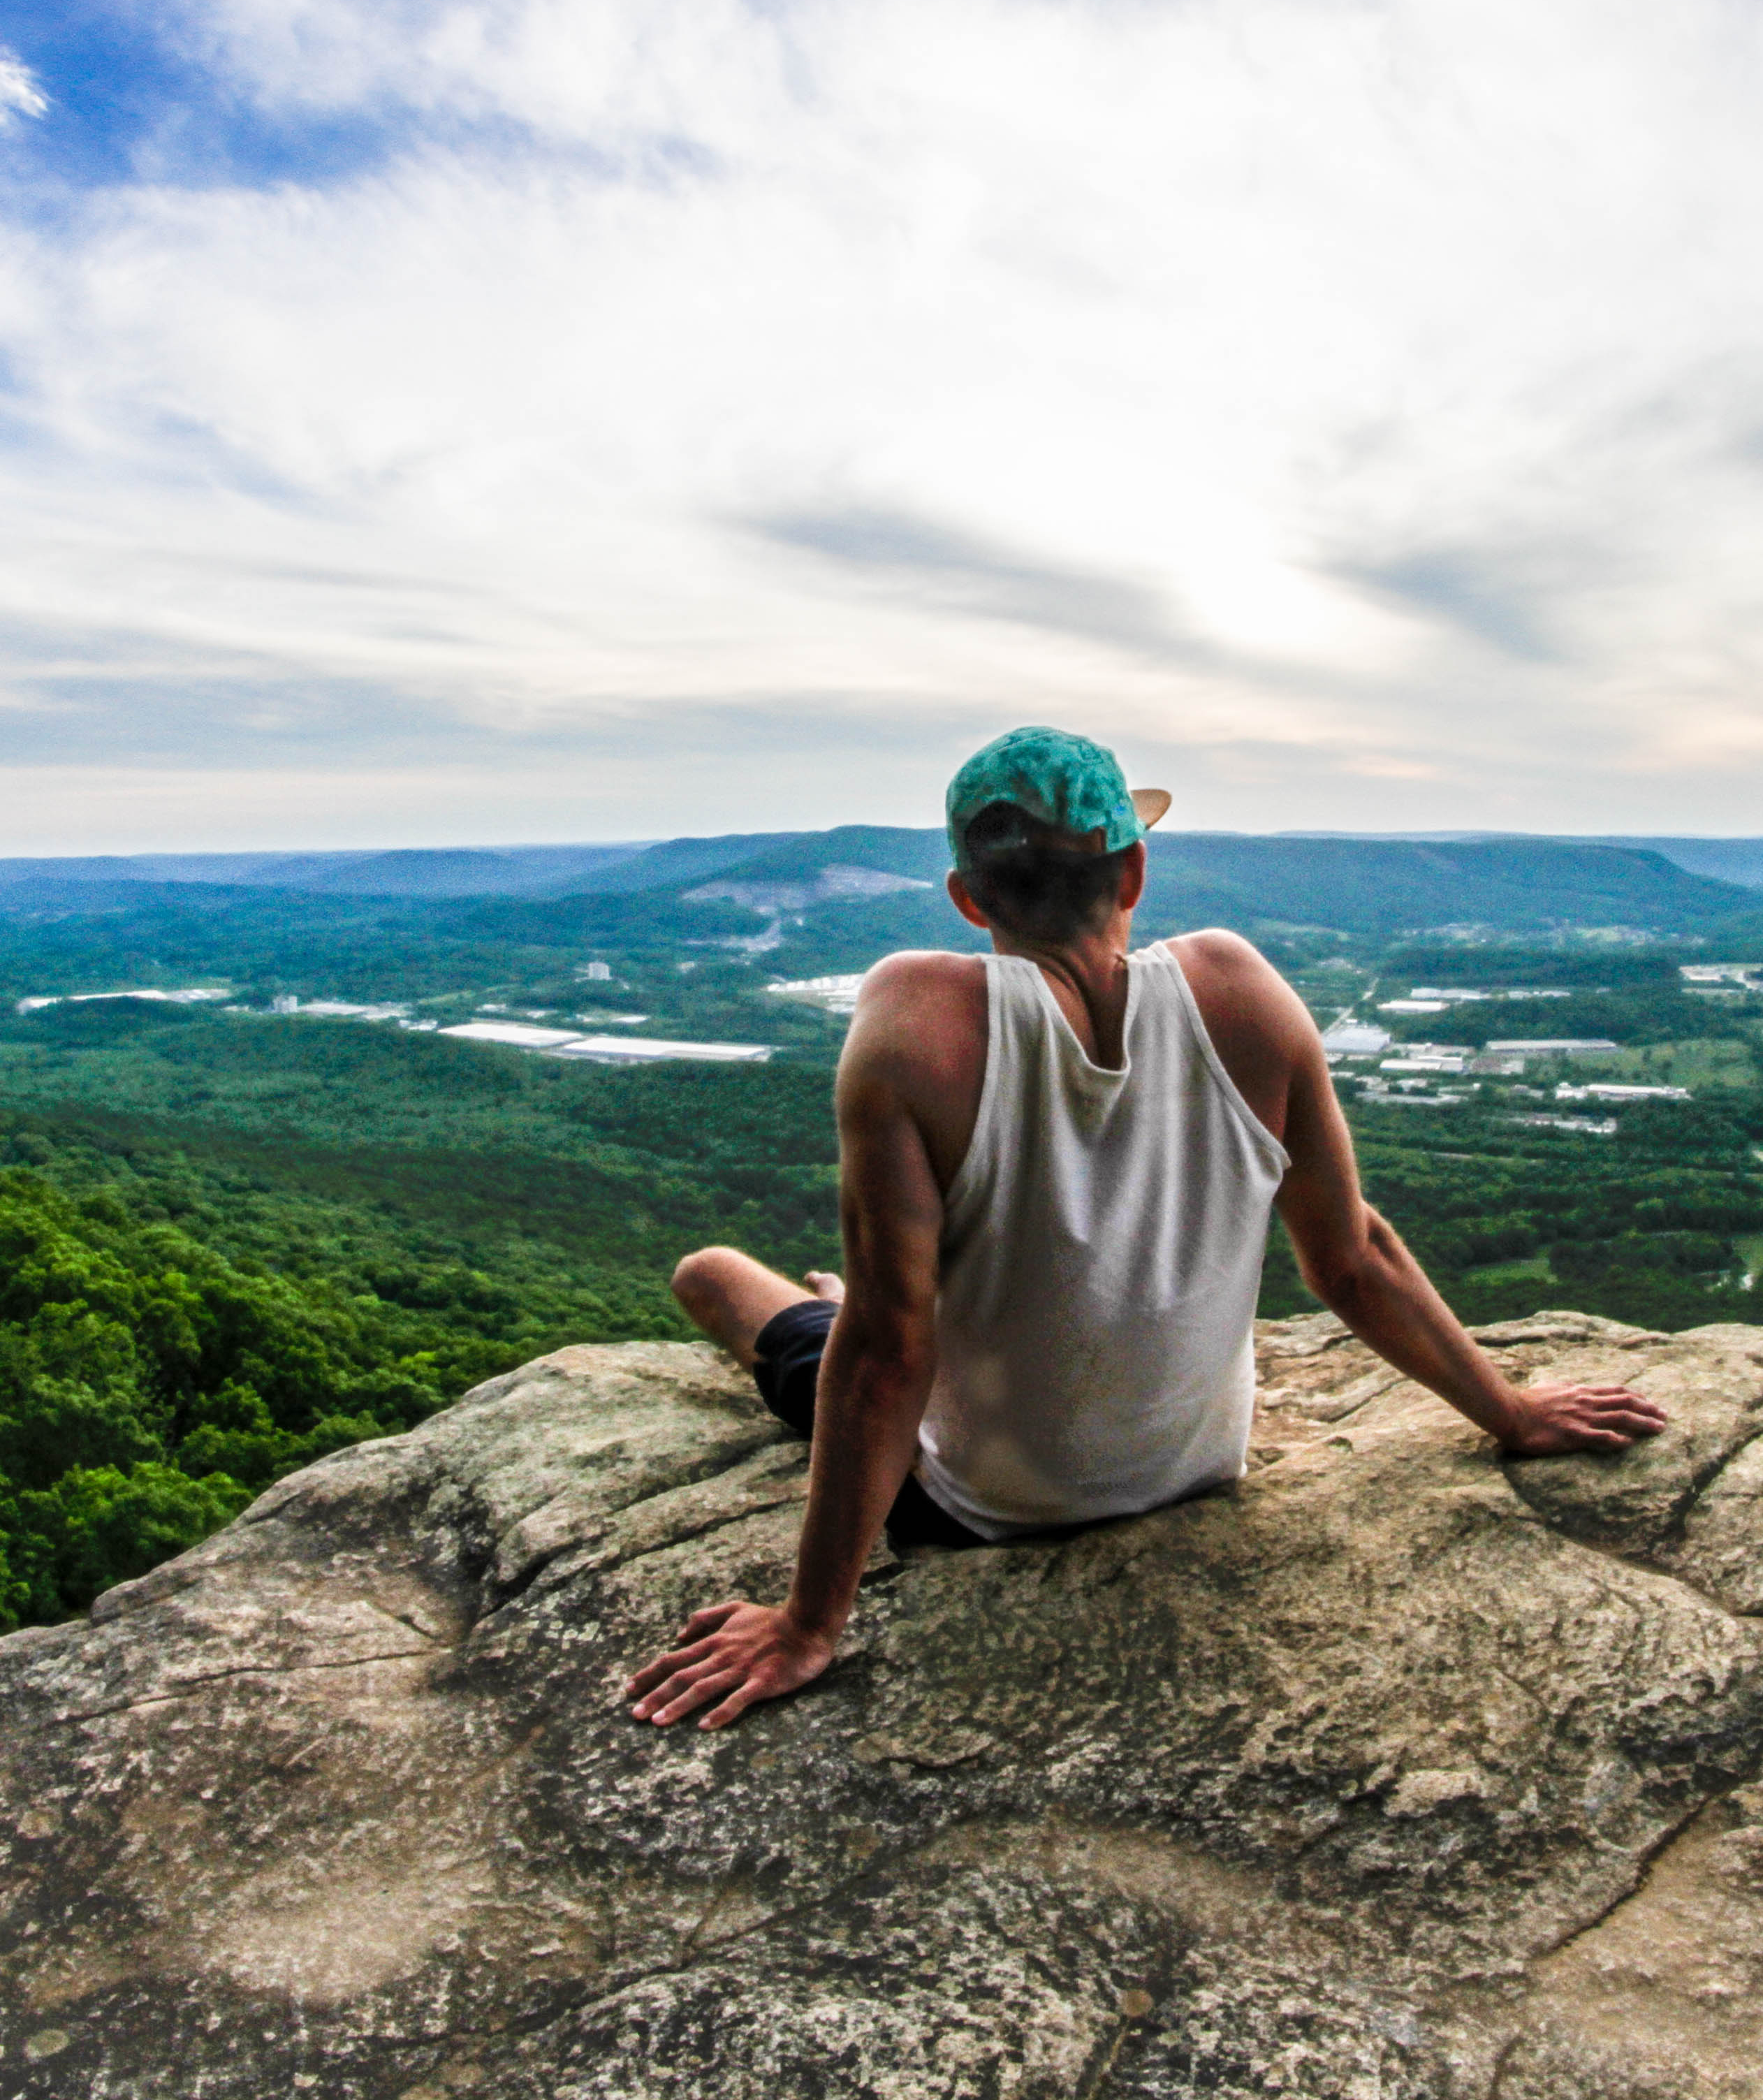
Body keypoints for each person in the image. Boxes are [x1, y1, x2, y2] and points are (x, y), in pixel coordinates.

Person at [624, 727, 1671, 1732]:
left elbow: (891, 1352)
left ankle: (814, 1307)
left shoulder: (914, 1015)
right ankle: (842, 1305)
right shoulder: (1240, 988)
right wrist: (1512, 1414)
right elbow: (1351, 1256)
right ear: (1131, 876)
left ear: (965, 896)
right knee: (865, 1306)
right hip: (1190, 1471)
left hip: (987, 1504)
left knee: (711, 1271)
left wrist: (809, 1625)